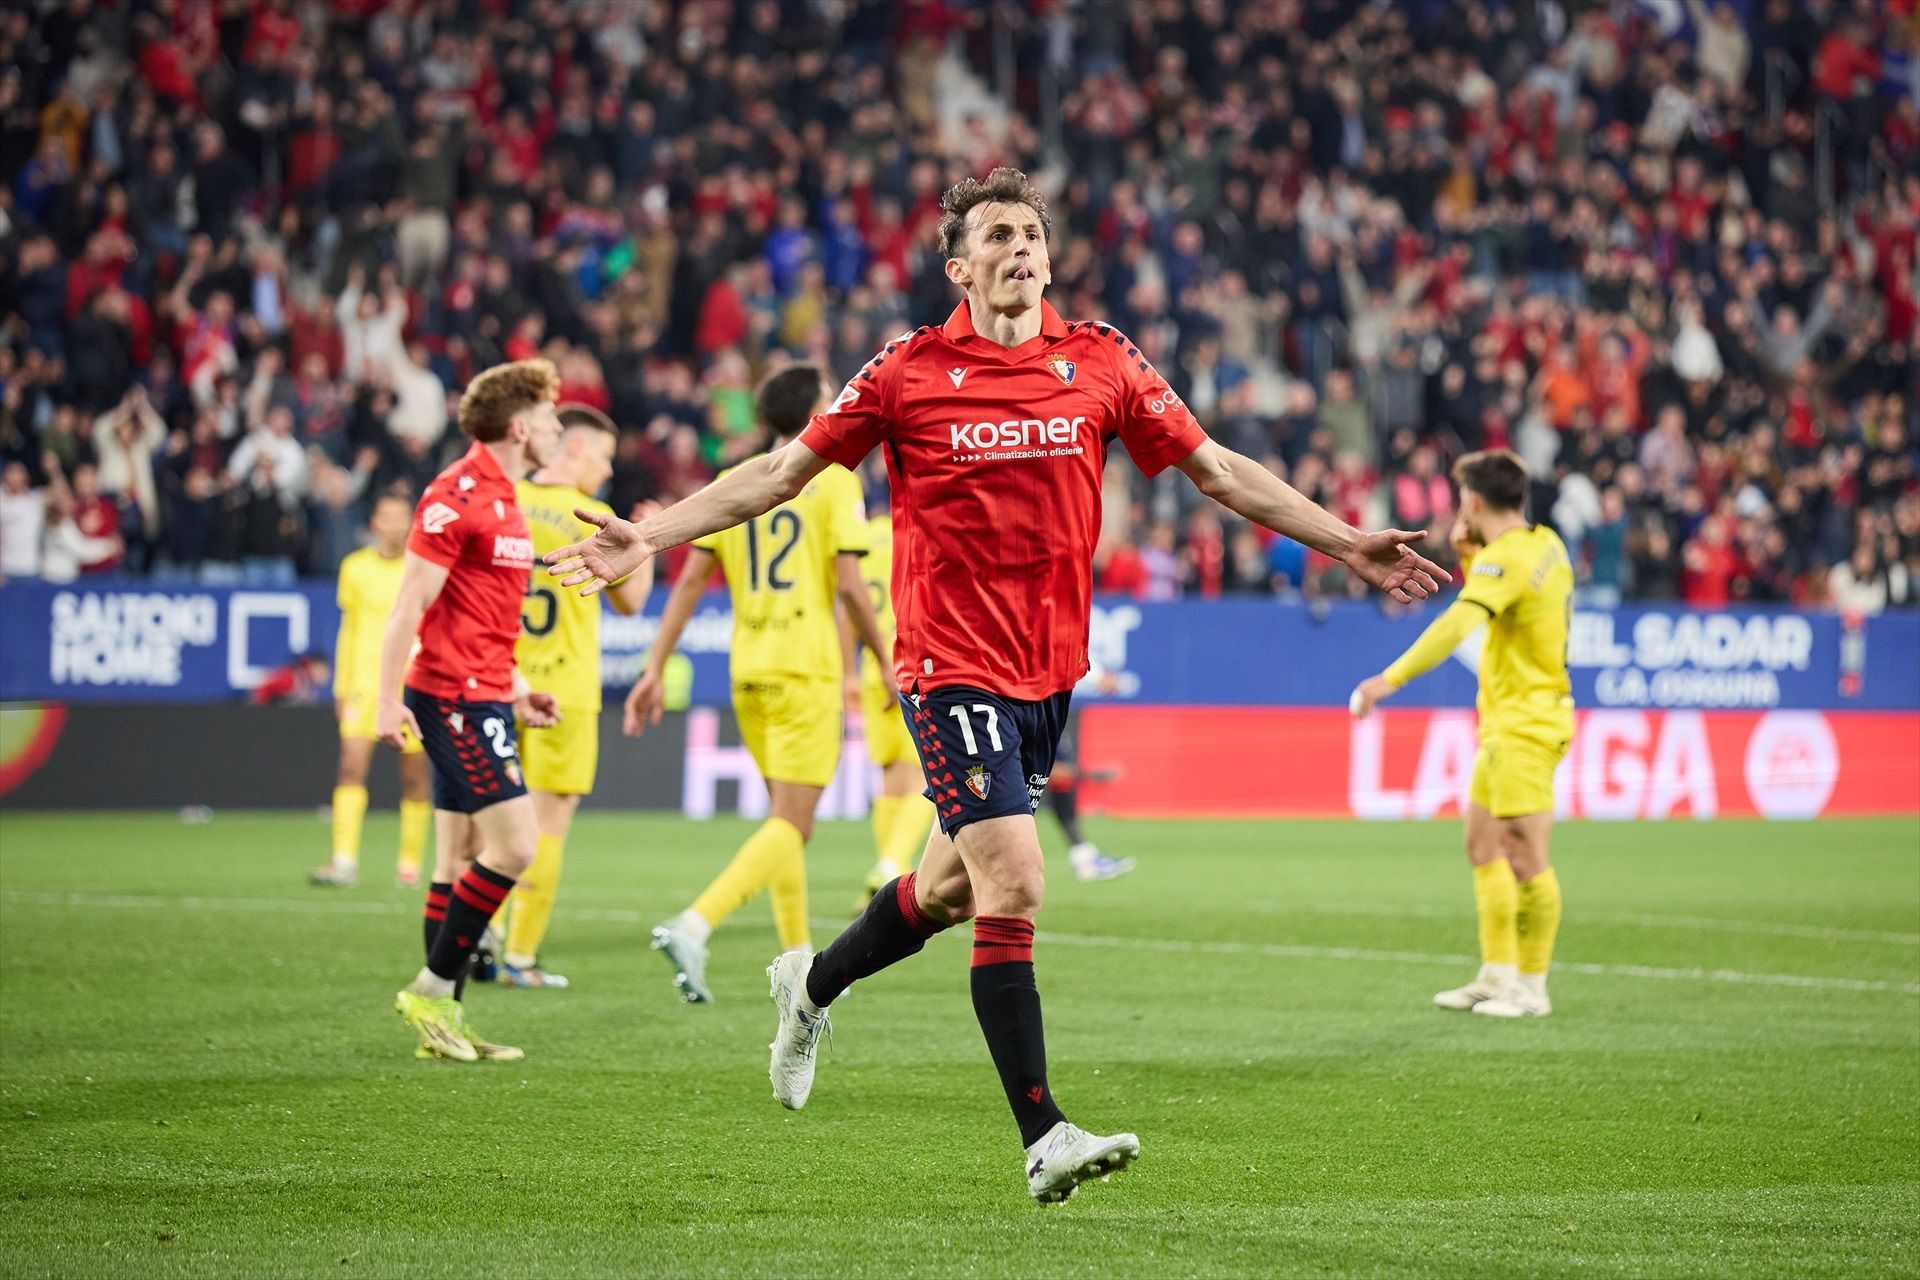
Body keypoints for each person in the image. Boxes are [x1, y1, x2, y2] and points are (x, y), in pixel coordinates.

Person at [545, 169, 1446, 1202]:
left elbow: (1222, 471)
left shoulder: (1101, 358)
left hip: (1045, 673)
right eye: (997, 235)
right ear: (958, 266)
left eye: (1032, 233)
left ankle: (811, 984)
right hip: (947, 664)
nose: (1020, 247)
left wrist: (1347, 542)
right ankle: (1043, 1134)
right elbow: (780, 472)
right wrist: (651, 532)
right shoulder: (909, 370)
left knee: (944, 890)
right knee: (1015, 880)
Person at [630, 365, 893, 1003]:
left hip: (748, 669)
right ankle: (695, 924)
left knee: (783, 821)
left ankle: (798, 960)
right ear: (816, 413)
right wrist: (885, 660)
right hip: (806, 668)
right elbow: (851, 586)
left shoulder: (733, 480)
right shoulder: (833, 479)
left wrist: (655, 666)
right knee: (794, 824)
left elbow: (690, 583)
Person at [377, 358, 564, 1063]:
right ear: (519, 428)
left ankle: (443, 1022)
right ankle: (430, 990)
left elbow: (479, 619)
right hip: (451, 697)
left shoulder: (509, 499)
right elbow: (409, 607)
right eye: (548, 417)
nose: (556, 427)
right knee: (516, 847)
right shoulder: (454, 496)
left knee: (457, 857)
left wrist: (517, 688)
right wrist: (385, 699)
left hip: (486, 691)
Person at [1350, 449, 1572, 1019]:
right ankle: (1497, 976)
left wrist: (1388, 679)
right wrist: (1473, 553)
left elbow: (1459, 622)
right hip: (1512, 721)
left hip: (1526, 725)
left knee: (1525, 855)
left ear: (1473, 501)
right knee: (1483, 845)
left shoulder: (1510, 558)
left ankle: (1531, 988)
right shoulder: (1544, 544)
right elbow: (1509, 597)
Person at [495, 405, 653, 987]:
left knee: (489, 821)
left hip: (500, 682)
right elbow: (631, 602)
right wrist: (647, 537)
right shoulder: (592, 518)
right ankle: (519, 958)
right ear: (578, 449)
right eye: (604, 457)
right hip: (563, 694)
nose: (607, 471)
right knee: (547, 825)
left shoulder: (505, 500)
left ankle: (478, 936)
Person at [310, 493, 433, 889]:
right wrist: (341, 684)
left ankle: (409, 866)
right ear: (374, 523)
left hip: (411, 684)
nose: (394, 524)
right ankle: (344, 861)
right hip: (364, 684)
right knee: (350, 767)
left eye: (401, 517)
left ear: (411, 522)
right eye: (387, 516)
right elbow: (349, 628)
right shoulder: (355, 568)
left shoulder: (423, 566)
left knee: (414, 775)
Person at [846, 480, 937, 907]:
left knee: (889, 779)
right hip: (912, 665)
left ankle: (886, 881)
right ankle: (890, 864)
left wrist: (848, 672)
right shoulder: (916, 532)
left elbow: (847, 603)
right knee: (921, 778)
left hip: (871, 667)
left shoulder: (861, 540)